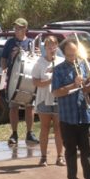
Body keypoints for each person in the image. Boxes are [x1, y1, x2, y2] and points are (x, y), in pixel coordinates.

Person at [52, 38, 90, 179]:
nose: (73, 57)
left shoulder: (87, 65)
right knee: (70, 151)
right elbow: (56, 92)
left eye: (74, 54)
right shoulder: (59, 69)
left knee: (87, 150)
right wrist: (74, 85)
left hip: (85, 114)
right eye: (69, 54)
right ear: (64, 53)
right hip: (68, 116)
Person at [0, 18, 38, 146]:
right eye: (16, 27)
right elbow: (3, 59)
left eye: (20, 27)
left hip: (28, 80)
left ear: (25, 28)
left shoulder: (31, 43)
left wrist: (37, 53)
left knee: (29, 106)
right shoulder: (10, 43)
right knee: (13, 107)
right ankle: (14, 134)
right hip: (13, 80)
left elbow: (36, 61)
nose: (17, 30)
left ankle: (30, 133)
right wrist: (4, 71)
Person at [31, 35, 64, 167]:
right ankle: (43, 157)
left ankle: (60, 157)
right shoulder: (40, 62)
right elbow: (35, 82)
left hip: (59, 99)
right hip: (44, 99)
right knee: (44, 128)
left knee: (58, 128)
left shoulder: (62, 61)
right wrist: (50, 80)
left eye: (54, 46)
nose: (52, 49)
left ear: (57, 47)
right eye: (49, 47)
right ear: (45, 48)